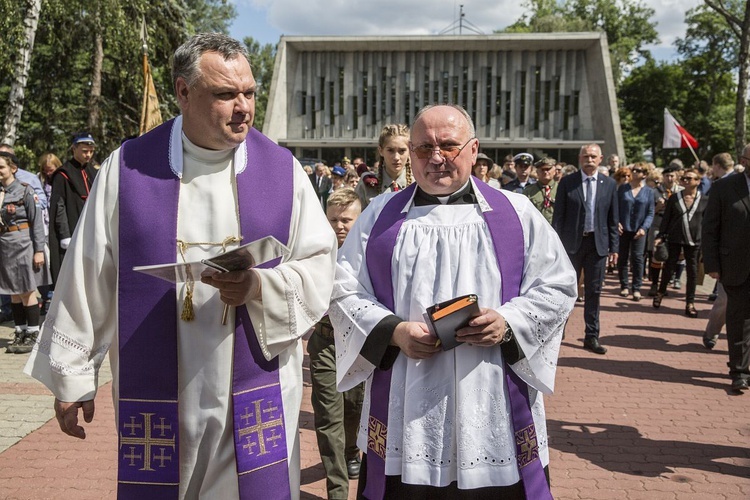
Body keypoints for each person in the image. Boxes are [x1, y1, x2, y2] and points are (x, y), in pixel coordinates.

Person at [24, 33, 337, 498]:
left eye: (249, 93)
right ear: (183, 92)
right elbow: (88, 272)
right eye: (226, 95)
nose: (243, 108)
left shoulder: (283, 170)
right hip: (163, 390)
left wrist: (257, 287)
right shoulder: (128, 168)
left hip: (256, 388)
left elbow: (319, 263)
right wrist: (72, 375)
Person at [330, 104, 577, 498]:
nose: (437, 158)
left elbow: (559, 286)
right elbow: (342, 289)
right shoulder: (380, 217)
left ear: (474, 149)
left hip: (491, 391)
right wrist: (394, 332)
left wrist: (508, 322)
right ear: (411, 153)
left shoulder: (517, 213)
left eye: (448, 145)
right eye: (424, 148)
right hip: (406, 396)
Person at [309, 188, 365, 499]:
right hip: (326, 343)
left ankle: (352, 449)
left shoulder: (370, 254)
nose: (339, 226)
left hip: (358, 346)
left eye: (346, 220)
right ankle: (338, 491)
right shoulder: (315, 252)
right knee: (329, 417)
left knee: (354, 410)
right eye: (333, 219)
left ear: (359, 219)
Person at [553, 144, 619, 355]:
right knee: (565, 290)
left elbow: (612, 219)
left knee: (594, 291)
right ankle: (557, 332)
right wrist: (555, 246)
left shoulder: (609, 184)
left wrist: (614, 248)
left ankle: (592, 336)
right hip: (571, 245)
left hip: (597, 245)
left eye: (593, 156)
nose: (589, 160)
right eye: (585, 156)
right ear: (580, 158)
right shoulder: (568, 183)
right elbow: (559, 217)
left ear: (600, 159)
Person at [702, 146, 750, 393]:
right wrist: (712, 265)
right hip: (736, 266)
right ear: (744, 161)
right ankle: (739, 371)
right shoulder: (724, 188)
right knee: (738, 319)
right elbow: (710, 229)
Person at [0, 153, 48, 353]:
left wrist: (39, 250)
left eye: (1, 167)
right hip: (5, 245)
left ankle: (33, 332)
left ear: (13, 169)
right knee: (13, 291)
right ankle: (20, 331)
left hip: (23, 243)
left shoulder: (25, 191)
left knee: (27, 290)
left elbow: (36, 221)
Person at [652, 168, 708, 317]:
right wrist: (661, 236)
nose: (686, 181)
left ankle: (690, 302)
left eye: (690, 178)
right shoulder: (674, 198)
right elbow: (666, 219)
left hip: (695, 241)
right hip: (675, 238)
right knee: (669, 267)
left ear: (698, 181)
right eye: (684, 178)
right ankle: (660, 292)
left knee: (692, 272)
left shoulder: (705, 200)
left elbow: (708, 222)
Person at [48, 132, 98, 284]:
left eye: (91, 151)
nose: (88, 155)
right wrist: (65, 234)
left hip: (93, 229)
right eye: (84, 151)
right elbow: (59, 206)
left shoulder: (94, 172)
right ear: (74, 149)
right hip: (72, 227)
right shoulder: (63, 174)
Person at [616, 163, 654, 301]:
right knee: (623, 257)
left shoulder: (649, 191)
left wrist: (644, 228)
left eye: (638, 171)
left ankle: (636, 288)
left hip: (639, 230)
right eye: (634, 170)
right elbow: (615, 207)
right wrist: (617, 222)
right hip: (623, 228)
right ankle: (624, 285)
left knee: (637, 258)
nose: (635, 172)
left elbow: (650, 212)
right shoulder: (623, 189)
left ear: (644, 174)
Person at [355, 124, 413, 209]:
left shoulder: (419, 184)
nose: (396, 157)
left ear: (410, 151)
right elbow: (356, 219)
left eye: (402, 151)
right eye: (390, 150)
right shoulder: (366, 185)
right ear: (381, 151)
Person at [523, 157, 558, 224]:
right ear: (537, 172)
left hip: (556, 229)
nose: (545, 172)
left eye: (548, 169)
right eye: (542, 169)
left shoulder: (561, 189)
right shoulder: (528, 191)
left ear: (555, 171)